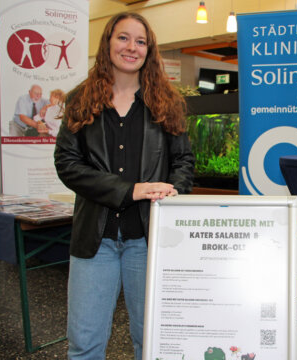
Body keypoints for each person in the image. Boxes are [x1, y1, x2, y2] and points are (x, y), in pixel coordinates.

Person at [54, 12, 195, 360]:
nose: (131, 47)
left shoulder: (168, 103)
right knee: (83, 345)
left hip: (149, 241)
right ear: (108, 43)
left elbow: (183, 163)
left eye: (140, 41)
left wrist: (171, 194)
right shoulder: (80, 100)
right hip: (94, 241)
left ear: (150, 50)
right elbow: (67, 164)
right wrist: (128, 189)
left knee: (153, 344)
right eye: (123, 38)